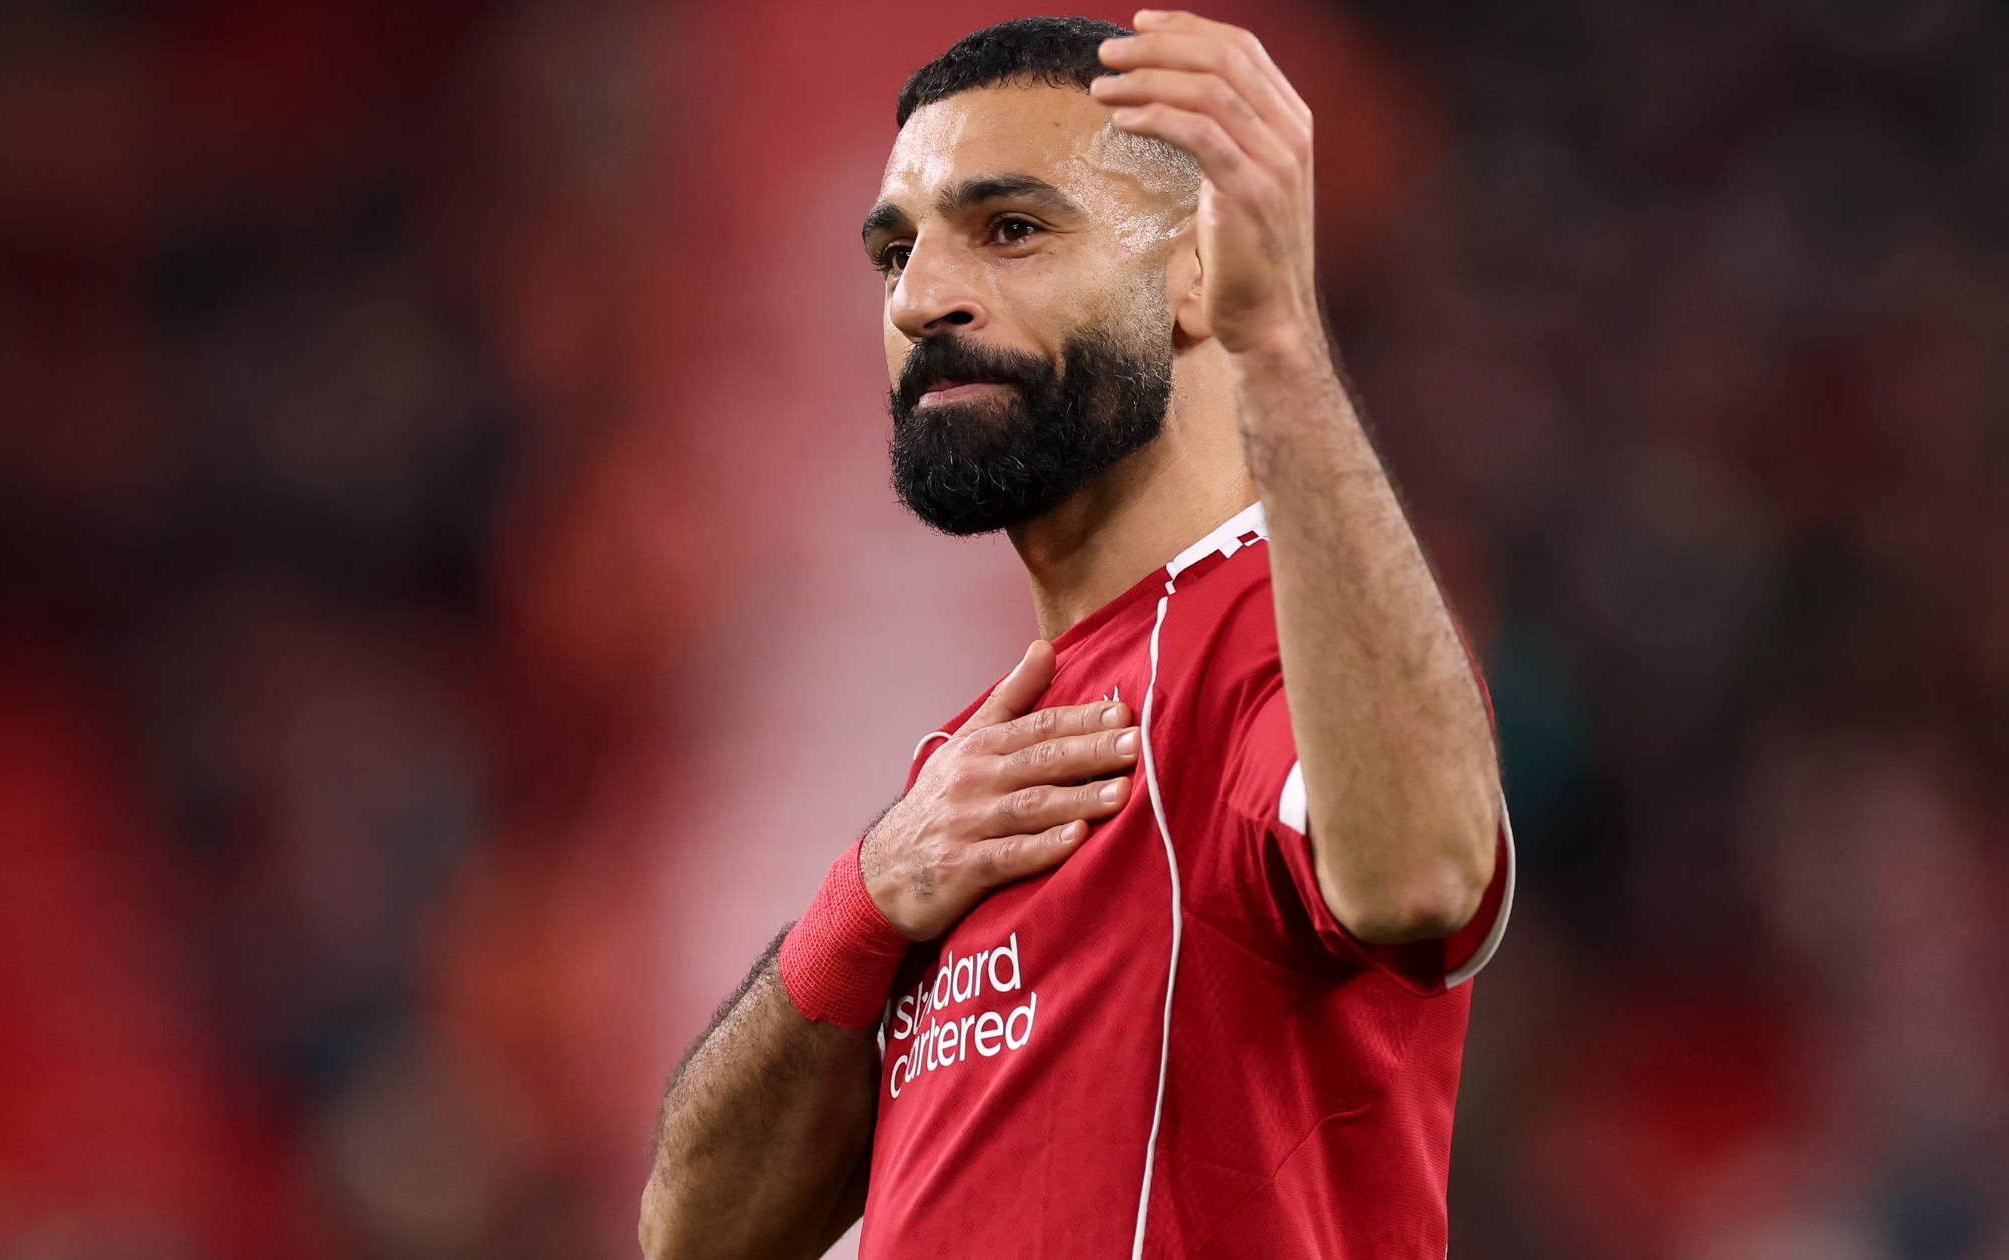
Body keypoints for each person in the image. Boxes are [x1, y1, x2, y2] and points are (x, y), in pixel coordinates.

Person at [640, 12, 1513, 1258]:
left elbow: (1423, 874)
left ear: (1197, 273)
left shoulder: (1277, 643)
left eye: (1010, 230)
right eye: (893, 253)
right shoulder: (976, 773)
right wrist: (868, 899)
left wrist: (1281, 348)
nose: (921, 299)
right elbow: (693, 1235)